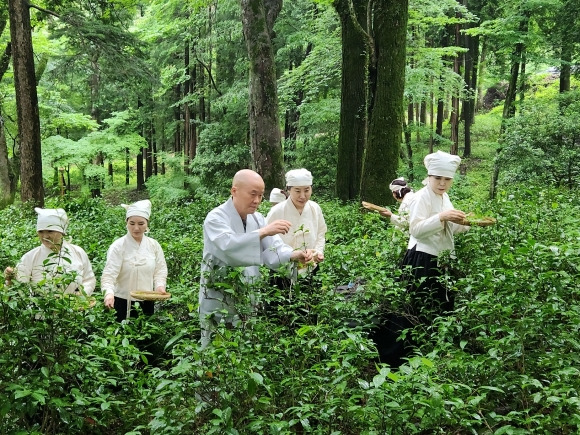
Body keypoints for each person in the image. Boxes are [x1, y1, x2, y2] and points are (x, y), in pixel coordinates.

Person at [199, 169, 313, 347]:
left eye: (261, 195)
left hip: (247, 294)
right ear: (234, 191)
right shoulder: (216, 218)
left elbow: (273, 248)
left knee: (244, 346)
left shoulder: (258, 219)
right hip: (217, 296)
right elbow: (228, 246)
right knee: (215, 347)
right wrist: (263, 231)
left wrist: (293, 255)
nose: (257, 201)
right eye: (253, 194)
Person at [403, 150, 470, 320]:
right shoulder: (421, 197)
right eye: (438, 178)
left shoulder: (444, 197)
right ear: (429, 177)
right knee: (422, 306)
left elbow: (450, 229)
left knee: (443, 305)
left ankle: (439, 343)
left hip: (443, 258)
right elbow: (416, 229)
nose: (442, 183)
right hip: (423, 258)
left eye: (447, 179)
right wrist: (441, 217)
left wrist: (466, 223)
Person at [102, 200, 168, 322]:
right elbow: (109, 274)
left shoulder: (154, 245)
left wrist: (159, 286)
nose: (136, 228)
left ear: (147, 224)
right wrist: (109, 294)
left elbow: (160, 270)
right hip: (121, 300)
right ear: (126, 223)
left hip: (147, 299)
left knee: (145, 335)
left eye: (141, 224)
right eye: (132, 223)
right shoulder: (118, 246)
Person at [4, 208, 96, 295]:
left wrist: (81, 295)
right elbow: (19, 288)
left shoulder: (78, 252)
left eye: (50, 231)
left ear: (62, 232)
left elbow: (89, 280)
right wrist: (10, 280)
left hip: (75, 309)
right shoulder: (30, 257)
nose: (45, 236)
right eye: (41, 232)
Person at [266, 168, 327, 284]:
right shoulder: (277, 211)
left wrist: (318, 252)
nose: (303, 196)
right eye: (298, 191)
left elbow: (321, 233)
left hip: (310, 267)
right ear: (289, 190)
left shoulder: (315, 208)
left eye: (307, 190)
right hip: (282, 270)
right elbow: (267, 240)